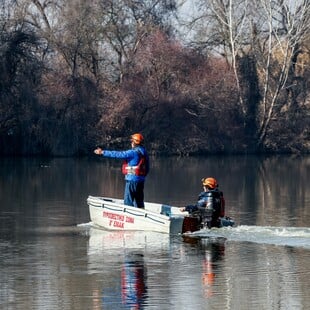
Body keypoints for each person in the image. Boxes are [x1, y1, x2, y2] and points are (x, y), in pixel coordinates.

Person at [94, 133, 149, 208]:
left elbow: (118, 154)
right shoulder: (144, 152)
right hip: (141, 180)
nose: (131, 143)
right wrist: (140, 176)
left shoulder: (132, 152)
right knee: (139, 201)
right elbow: (147, 168)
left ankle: (129, 217)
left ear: (134, 143)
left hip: (131, 180)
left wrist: (103, 152)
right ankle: (142, 215)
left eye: (132, 141)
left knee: (128, 201)